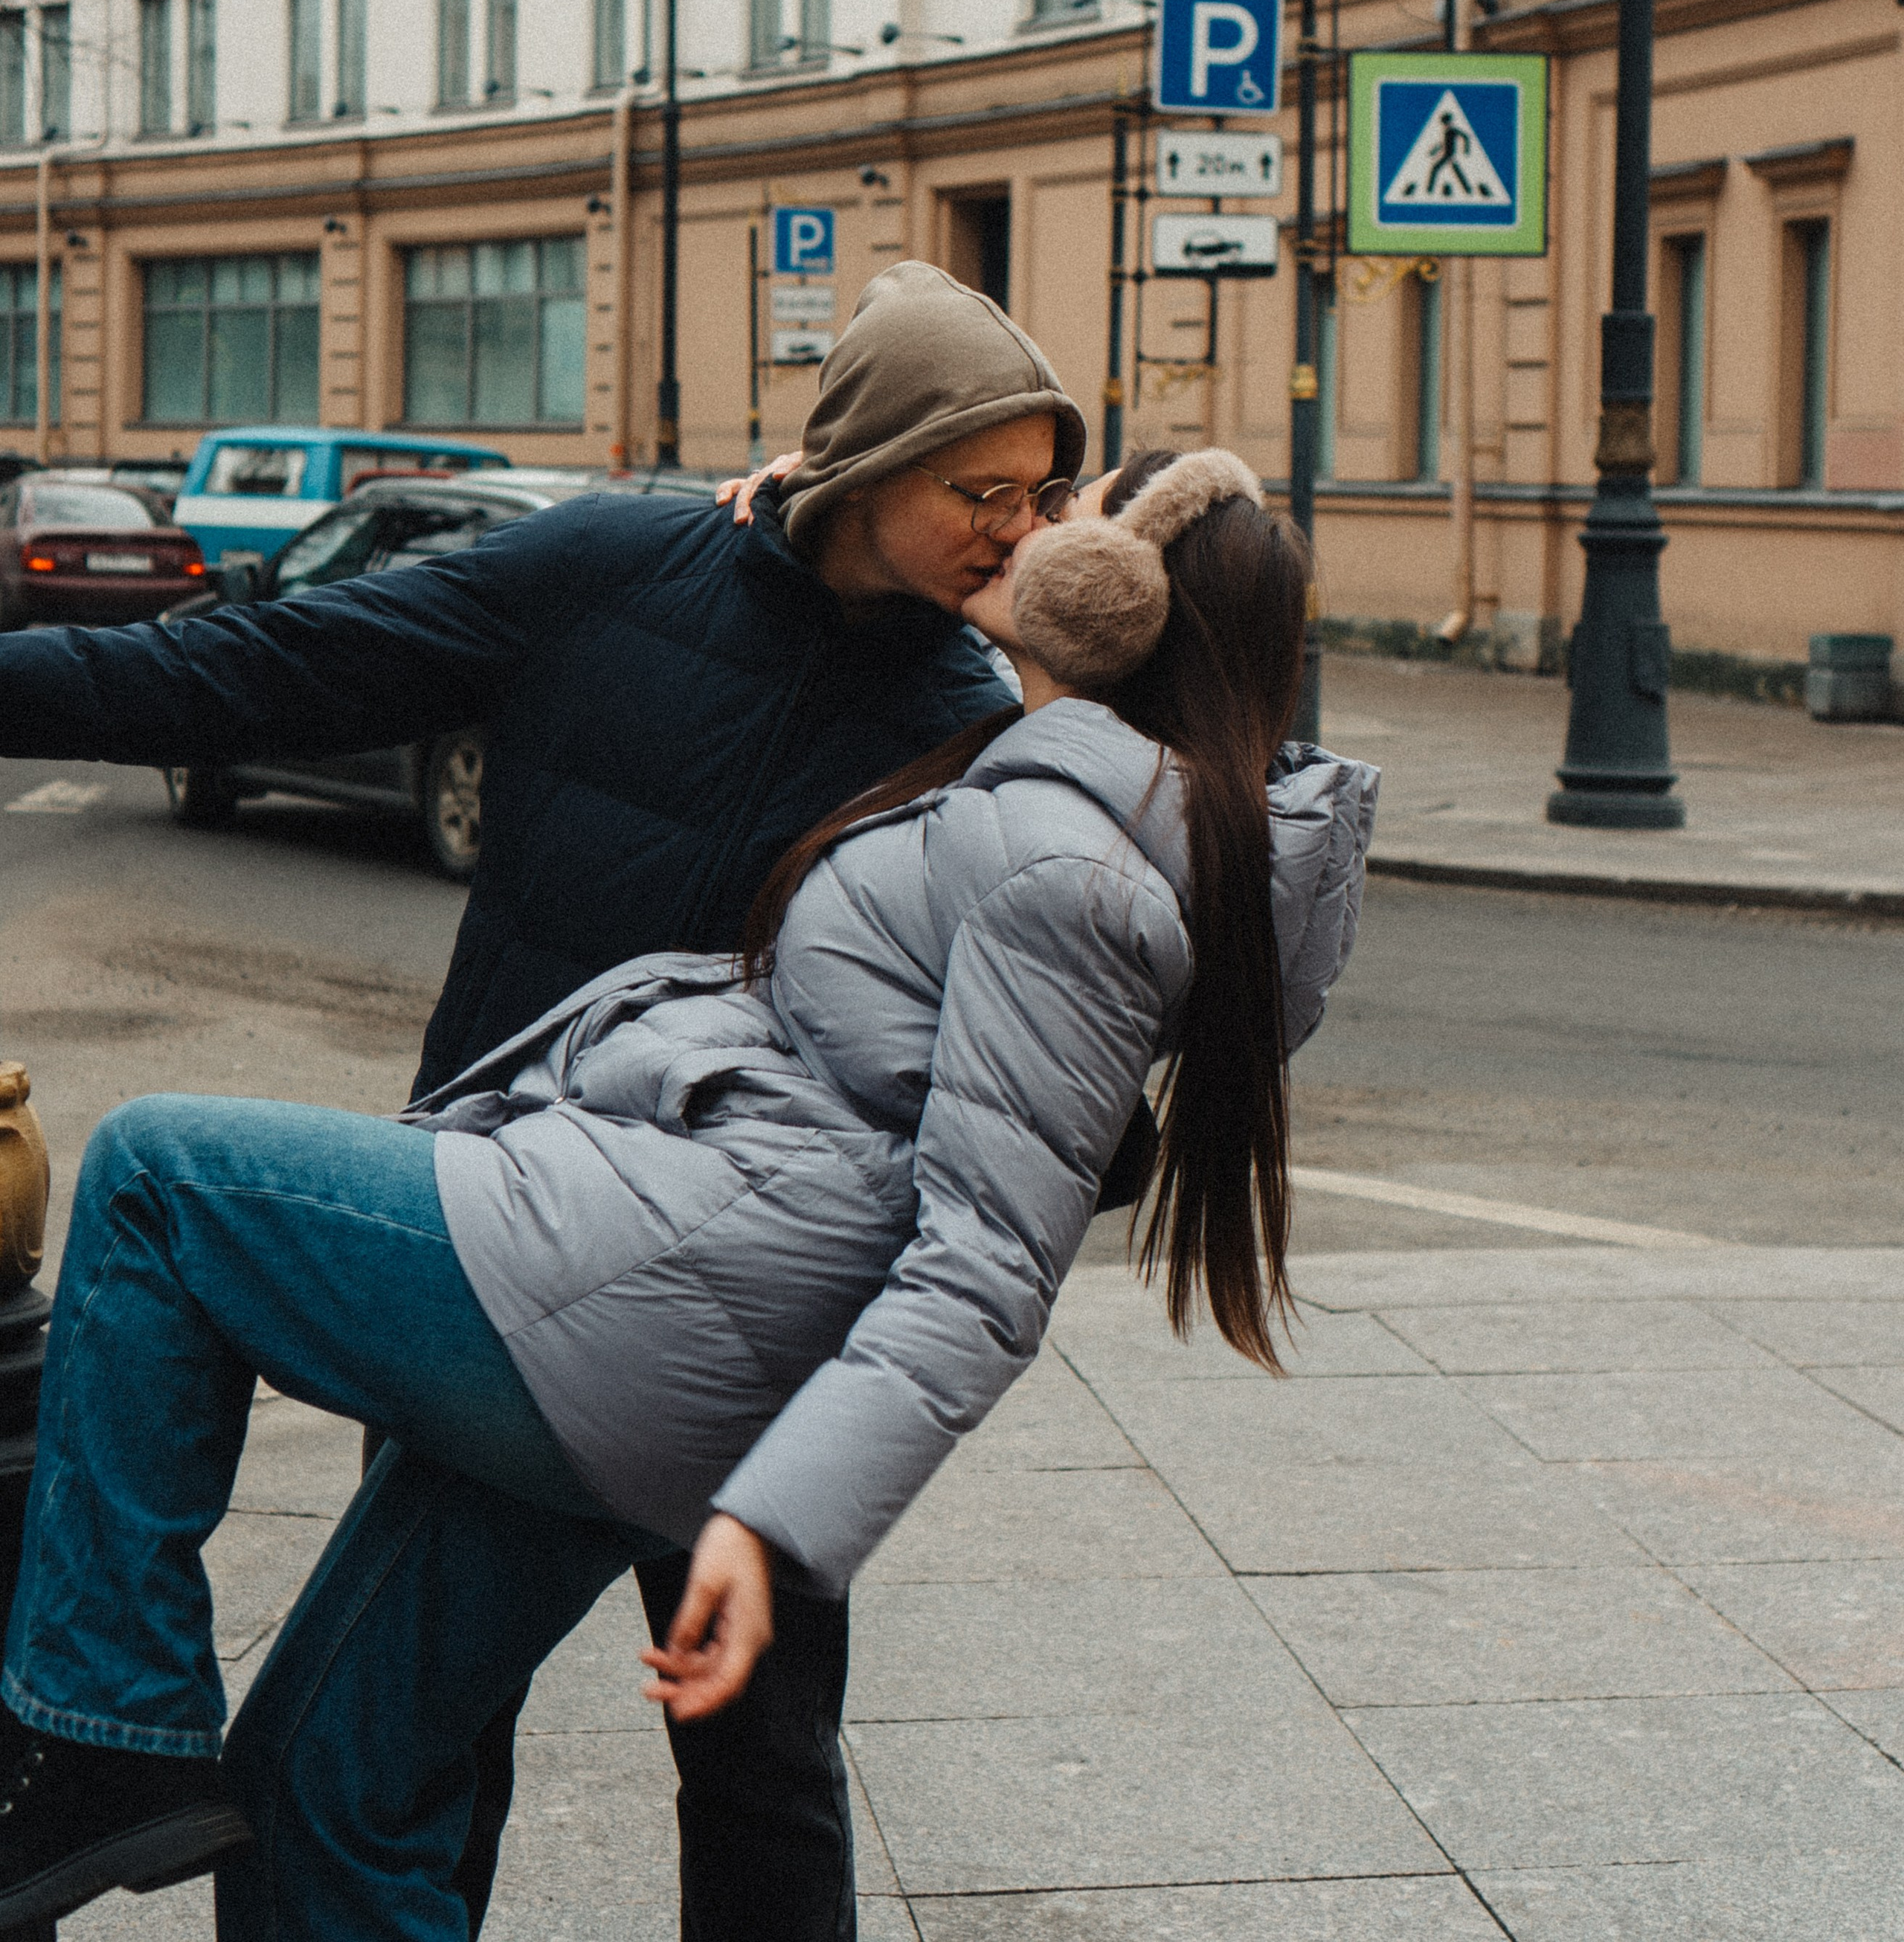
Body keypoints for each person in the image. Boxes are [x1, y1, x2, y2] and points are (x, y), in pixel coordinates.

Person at [0, 447, 1377, 1935]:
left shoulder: (1063, 853)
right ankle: (116, 1743)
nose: (1034, 536)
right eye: (1008, 499)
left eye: (1066, 513)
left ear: (1115, 605)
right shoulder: (1040, 768)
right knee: (331, 1772)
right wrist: (816, 507)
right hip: (644, 1279)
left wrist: (773, 1525)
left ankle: (99, 1731)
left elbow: (989, 1260)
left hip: (662, 1299)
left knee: (154, 1177)